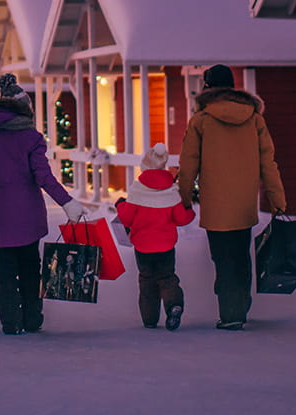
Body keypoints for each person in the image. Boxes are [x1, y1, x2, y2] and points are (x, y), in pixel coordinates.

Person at [0, 73, 87, 335]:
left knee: (4, 274)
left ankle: (11, 322)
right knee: (29, 269)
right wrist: (67, 202)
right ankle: (32, 319)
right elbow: (44, 177)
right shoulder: (31, 138)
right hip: (28, 218)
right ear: (24, 108)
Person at [176, 64, 286, 330]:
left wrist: (185, 196)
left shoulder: (201, 119)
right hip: (244, 203)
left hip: (216, 205)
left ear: (207, 87)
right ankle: (240, 302)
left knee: (223, 258)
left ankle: (231, 313)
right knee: (240, 254)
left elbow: (188, 162)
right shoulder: (254, 118)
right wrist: (277, 198)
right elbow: (268, 162)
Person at [115, 142, 195, 331]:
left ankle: (150, 319)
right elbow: (182, 218)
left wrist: (120, 205)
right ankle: (173, 304)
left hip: (142, 246)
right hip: (166, 246)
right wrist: (189, 210)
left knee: (147, 280)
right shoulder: (171, 190)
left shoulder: (137, 189)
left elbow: (126, 218)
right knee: (167, 277)